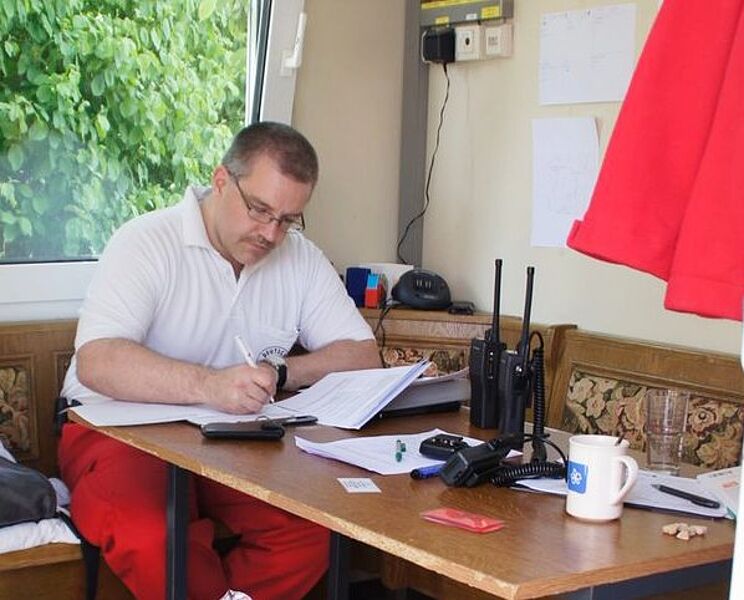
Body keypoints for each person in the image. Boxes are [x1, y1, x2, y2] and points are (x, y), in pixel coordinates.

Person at [58, 122, 381, 600]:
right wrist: (209, 386)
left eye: (288, 219)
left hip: (234, 439)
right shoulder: (146, 241)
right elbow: (98, 361)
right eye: (260, 210)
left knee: (315, 530)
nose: (270, 233)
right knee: (157, 538)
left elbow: (364, 356)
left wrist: (281, 372)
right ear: (221, 180)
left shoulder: (300, 258)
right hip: (119, 433)